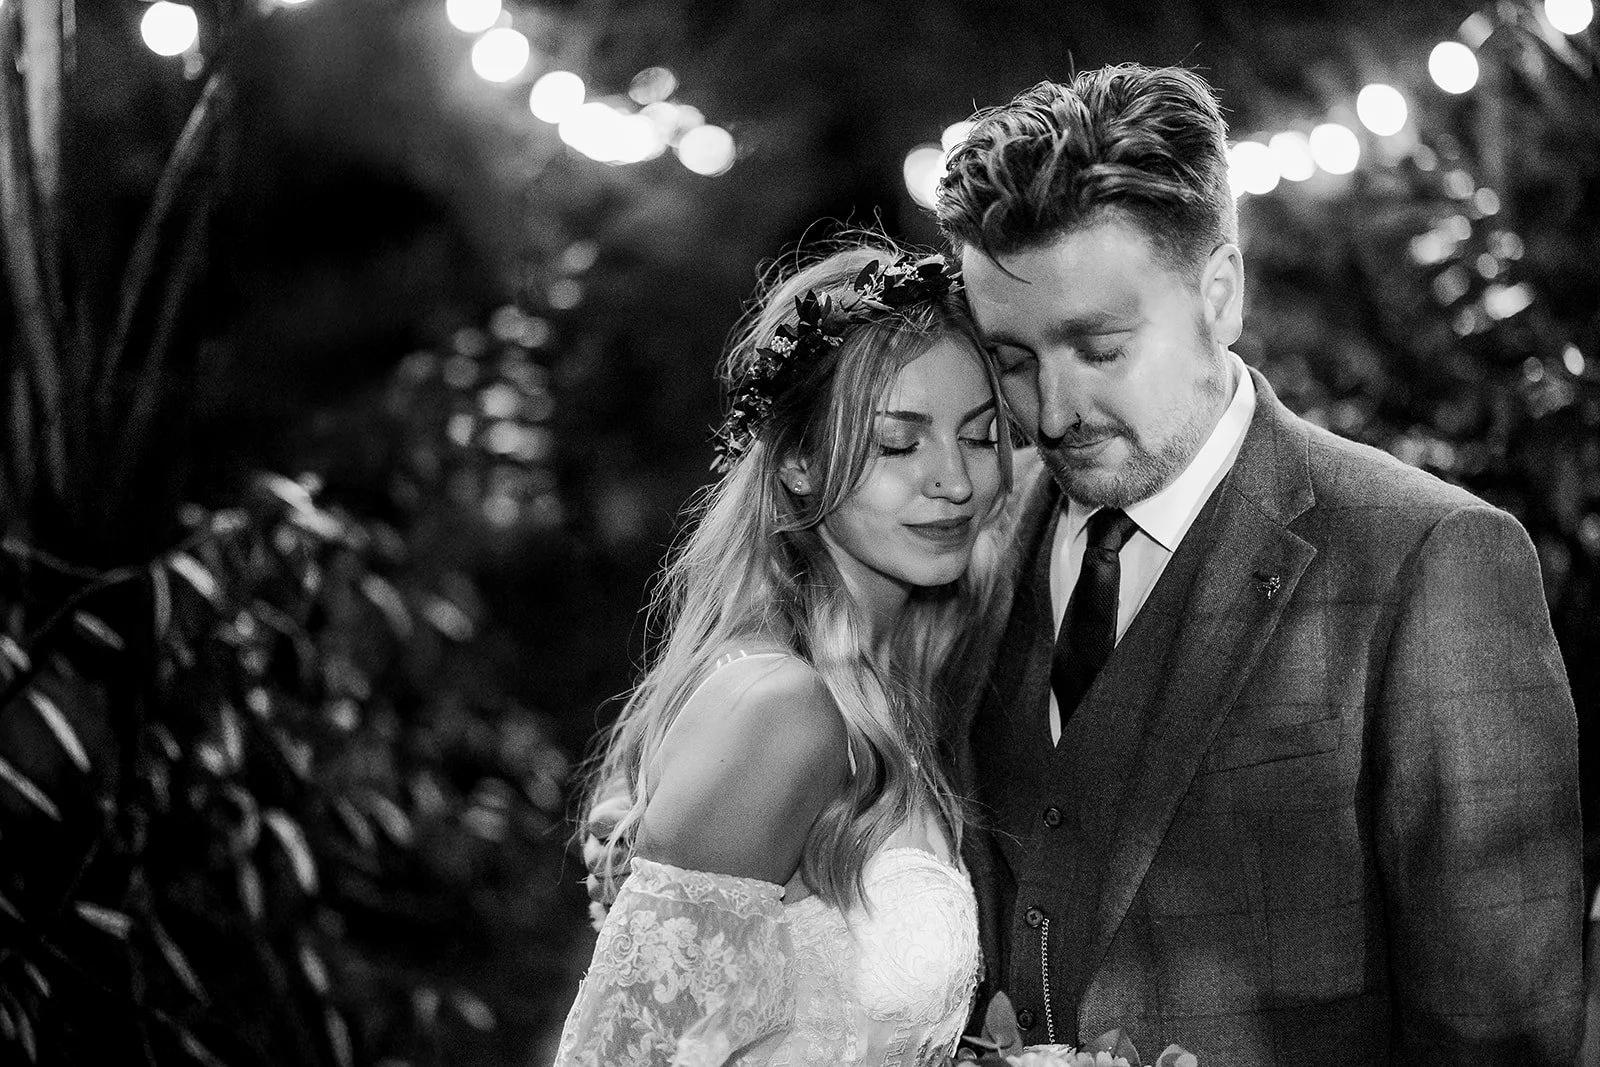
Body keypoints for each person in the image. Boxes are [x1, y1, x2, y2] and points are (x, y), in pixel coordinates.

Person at [933, 63, 1585, 1065]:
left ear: (1220, 293)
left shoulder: (1430, 557)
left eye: (1099, 348)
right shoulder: (963, 545)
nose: (1051, 413)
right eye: (1012, 360)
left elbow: (1498, 1033)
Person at [553, 240, 1014, 1067]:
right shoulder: (779, 706)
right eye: (898, 444)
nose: (954, 480)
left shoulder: (889, 681)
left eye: (980, 437)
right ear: (797, 463)